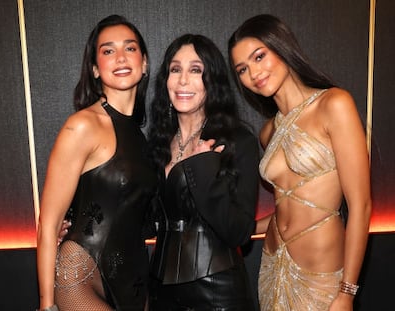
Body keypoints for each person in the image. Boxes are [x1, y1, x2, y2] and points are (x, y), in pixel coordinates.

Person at [228, 14, 371, 311]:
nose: (253, 72)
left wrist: (347, 293)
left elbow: (361, 206)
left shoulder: (334, 104)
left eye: (259, 56)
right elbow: (287, 204)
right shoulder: (268, 132)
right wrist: (240, 228)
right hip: (272, 265)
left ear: (281, 47)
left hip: (320, 274)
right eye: (242, 69)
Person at [36, 15, 156, 311]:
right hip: (80, 275)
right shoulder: (82, 126)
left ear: (144, 64)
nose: (120, 58)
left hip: (134, 278)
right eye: (107, 51)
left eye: (130, 48)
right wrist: (47, 305)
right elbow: (49, 224)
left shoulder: (141, 137)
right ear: (95, 70)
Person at [146, 34, 259, 310]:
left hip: (218, 292)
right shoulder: (157, 143)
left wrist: (203, 169)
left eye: (196, 70)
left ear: (212, 81)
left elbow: (240, 233)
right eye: (175, 69)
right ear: (166, 80)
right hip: (161, 292)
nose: (183, 80)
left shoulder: (237, 140)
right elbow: (146, 220)